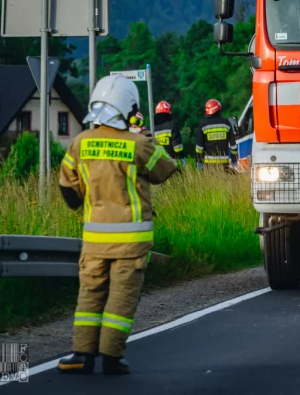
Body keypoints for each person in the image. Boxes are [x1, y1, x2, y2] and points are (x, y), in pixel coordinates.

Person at [56, 75, 178, 376]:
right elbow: (165, 170)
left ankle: (81, 355)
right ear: (129, 107)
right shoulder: (138, 144)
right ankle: (112, 357)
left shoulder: (80, 142)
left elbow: (68, 190)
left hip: (94, 239)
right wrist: (145, 134)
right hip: (131, 242)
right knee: (121, 298)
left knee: (89, 295)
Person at [195, 99, 238, 168]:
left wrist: (199, 161)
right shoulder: (226, 123)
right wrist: (234, 160)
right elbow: (233, 145)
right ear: (218, 110)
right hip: (224, 163)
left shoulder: (203, 124)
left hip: (209, 164)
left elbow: (199, 147)